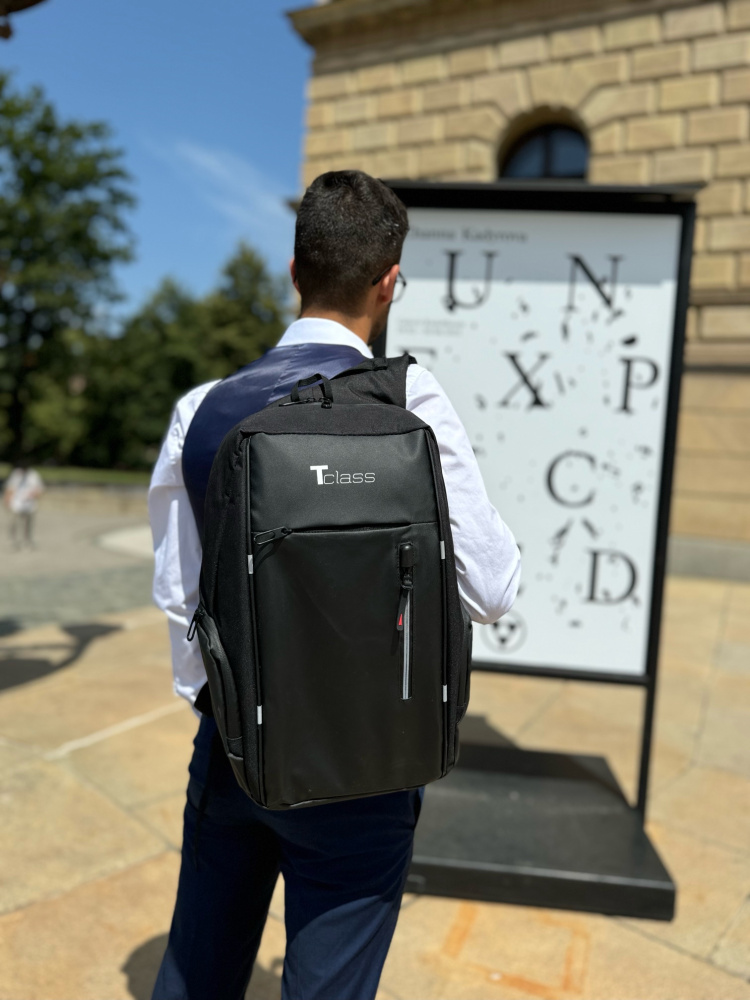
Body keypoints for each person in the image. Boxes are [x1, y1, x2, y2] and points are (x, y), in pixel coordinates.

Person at [148, 170, 521, 1000]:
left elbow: (179, 596)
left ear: (295, 270)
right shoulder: (412, 397)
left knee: (196, 972)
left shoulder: (202, 408)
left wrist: (228, 716)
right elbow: (492, 590)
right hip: (369, 763)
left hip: (233, 752)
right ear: (389, 282)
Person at [3, 461, 44, 550]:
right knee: (13, 524)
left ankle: (27, 541)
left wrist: (34, 495)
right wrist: (7, 500)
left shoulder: (34, 475)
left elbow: (39, 490)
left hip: (30, 505)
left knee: (28, 525)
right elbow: (10, 488)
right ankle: (13, 541)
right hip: (16, 504)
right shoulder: (15, 474)